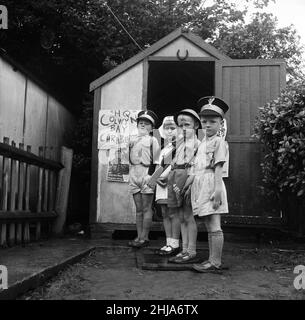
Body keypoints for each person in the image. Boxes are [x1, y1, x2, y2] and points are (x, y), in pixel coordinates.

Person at [189, 96, 229, 272]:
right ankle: (212, 259)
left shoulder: (219, 142)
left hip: (212, 184)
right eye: (204, 121)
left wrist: (218, 190)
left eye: (213, 121)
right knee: (207, 223)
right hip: (201, 185)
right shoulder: (203, 142)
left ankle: (215, 262)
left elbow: (219, 167)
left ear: (221, 123)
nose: (208, 125)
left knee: (214, 224)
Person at [167, 109, 201, 263]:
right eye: (180, 125)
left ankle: (191, 250)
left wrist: (187, 185)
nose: (183, 128)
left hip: (187, 180)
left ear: (195, 125)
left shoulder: (197, 144)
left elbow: (195, 168)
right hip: (176, 179)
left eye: (187, 125)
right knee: (180, 216)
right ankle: (184, 249)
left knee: (188, 216)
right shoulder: (180, 144)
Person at [128, 110, 160, 248]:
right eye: (141, 122)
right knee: (139, 209)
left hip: (147, 173)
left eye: (147, 123)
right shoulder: (132, 139)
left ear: (152, 128)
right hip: (134, 173)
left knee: (147, 208)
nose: (143, 124)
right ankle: (139, 236)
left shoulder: (153, 140)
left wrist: (152, 176)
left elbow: (159, 161)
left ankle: (144, 237)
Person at [154, 116, 180, 256]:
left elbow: (178, 167)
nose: (169, 131)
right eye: (167, 128)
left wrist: (164, 177)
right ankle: (168, 242)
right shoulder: (162, 148)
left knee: (173, 213)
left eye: (173, 128)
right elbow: (158, 167)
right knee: (164, 213)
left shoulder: (180, 147)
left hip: (172, 182)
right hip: (161, 184)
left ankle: (175, 244)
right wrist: (157, 178)